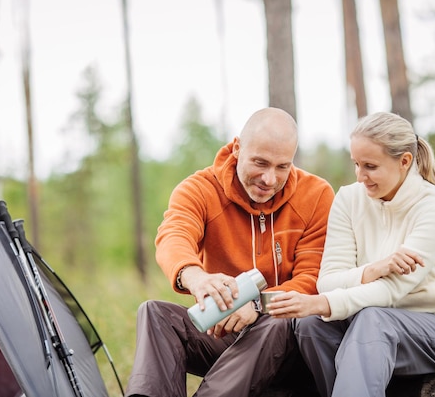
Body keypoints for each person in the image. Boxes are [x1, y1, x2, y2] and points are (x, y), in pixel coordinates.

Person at [124, 107, 335, 397]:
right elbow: (174, 235)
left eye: (282, 167)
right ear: (237, 148)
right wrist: (196, 277)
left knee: (280, 321)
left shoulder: (317, 195)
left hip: (287, 342)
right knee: (156, 313)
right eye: (260, 163)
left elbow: (313, 277)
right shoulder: (200, 189)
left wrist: (257, 305)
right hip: (226, 334)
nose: (269, 179)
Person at [265, 111, 435, 397]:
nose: (360, 176)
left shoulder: (434, 206)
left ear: (404, 162)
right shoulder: (349, 199)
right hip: (367, 330)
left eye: (371, 166)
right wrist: (371, 269)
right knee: (310, 324)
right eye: (356, 164)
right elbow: (328, 280)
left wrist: (321, 303)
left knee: (373, 319)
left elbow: (391, 292)